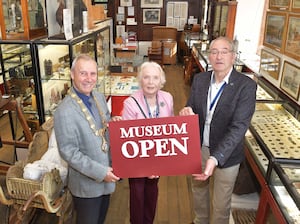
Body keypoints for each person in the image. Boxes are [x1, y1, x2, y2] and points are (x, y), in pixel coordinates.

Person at [179, 36, 257, 224]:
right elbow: (191, 108)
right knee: (198, 191)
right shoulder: (200, 79)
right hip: (199, 148)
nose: (218, 56)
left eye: (224, 52)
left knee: (221, 203)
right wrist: (186, 111)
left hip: (226, 155)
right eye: (214, 52)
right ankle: (200, 221)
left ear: (233, 56)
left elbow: (239, 127)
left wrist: (215, 158)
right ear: (209, 56)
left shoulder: (246, 86)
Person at [54, 54, 120, 224]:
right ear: (72, 74)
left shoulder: (98, 97)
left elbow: (102, 127)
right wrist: (101, 172)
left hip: (107, 177)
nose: (89, 79)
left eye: (93, 74)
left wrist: (114, 123)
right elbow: (68, 152)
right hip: (86, 186)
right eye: (83, 73)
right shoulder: (64, 110)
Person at [122, 61, 174, 224]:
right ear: (140, 80)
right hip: (137, 160)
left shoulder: (167, 98)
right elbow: (127, 139)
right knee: (137, 195)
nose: (151, 82)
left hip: (158, 158)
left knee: (152, 193)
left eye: (155, 78)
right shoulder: (130, 103)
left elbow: (170, 128)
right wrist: (145, 167)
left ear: (161, 81)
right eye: (146, 77)